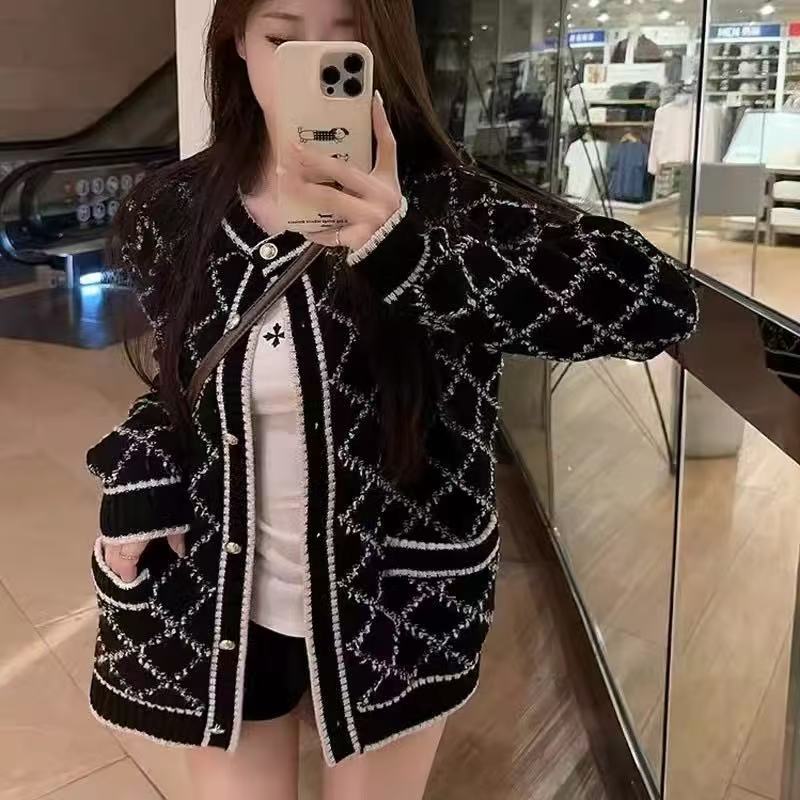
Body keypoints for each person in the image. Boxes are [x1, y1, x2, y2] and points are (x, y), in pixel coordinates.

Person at [83, 1, 699, 798]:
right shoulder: (174, 211)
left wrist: (410, 254)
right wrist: (142, 465)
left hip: (394, 607)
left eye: (348, 35)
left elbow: (658, 303)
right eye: (283, 36)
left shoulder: (452, 206)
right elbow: (178, 382)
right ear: (237, 41)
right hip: (217, 592)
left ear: (385, 47)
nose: (315, 60)